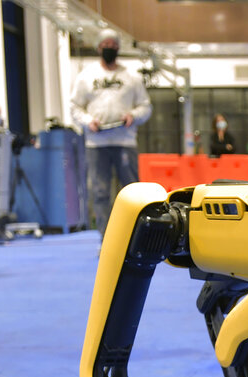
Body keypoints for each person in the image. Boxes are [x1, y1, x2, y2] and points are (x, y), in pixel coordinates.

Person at [70, 28, 152, 238]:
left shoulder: (131, 77)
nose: (110, 49)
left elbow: (145, 106)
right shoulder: (86, 77)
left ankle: (135, 237)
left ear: (118, 48)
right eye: (105, 45)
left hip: (125, 141)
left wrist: (133, 116)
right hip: (97, 145)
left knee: (132, 191)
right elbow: (75, 107)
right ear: (98, 48)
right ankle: (105, 238)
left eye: (113, 45)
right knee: (100, 192)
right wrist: (89, 122)